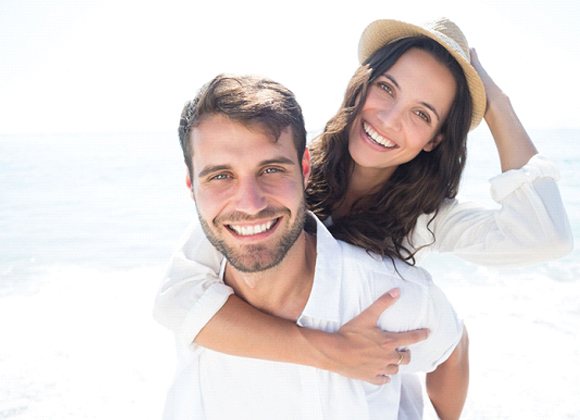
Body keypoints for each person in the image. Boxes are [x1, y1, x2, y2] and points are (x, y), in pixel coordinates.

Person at [155, 15, 572, 410]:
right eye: (387, 89)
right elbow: (178, 299)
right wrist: (332, 352)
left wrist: (497, 105)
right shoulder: (280, 175)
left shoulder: (427, 219)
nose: (388, 120)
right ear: (362, 84)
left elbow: (544, 238)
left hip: (368, 394)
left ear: (435, 138)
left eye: (421, 114)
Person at [162, 73, 467, 420]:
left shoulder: (387, 294)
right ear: (191, 185)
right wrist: (331, 350)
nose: (249, 203)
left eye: (271, 169)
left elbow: (452, 348)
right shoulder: (194, 287)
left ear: (305, 168)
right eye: (220, 176)